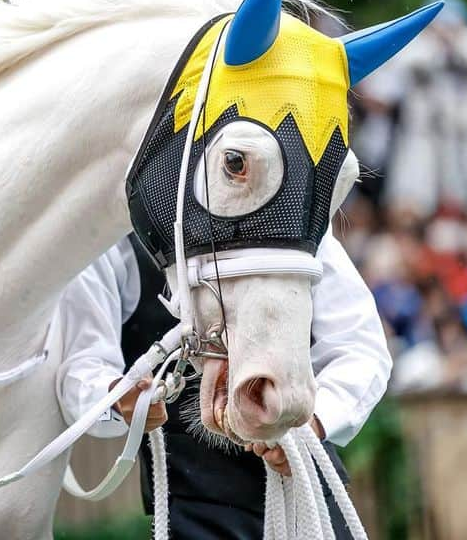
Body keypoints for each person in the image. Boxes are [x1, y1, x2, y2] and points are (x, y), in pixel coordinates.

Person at [57, 231, 392, 539]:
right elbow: (81, 369)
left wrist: (316, 421)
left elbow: (360, 346)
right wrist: (116, 397)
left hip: (309, 501)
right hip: (193, 511)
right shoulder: (111, 236)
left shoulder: (292, 204)